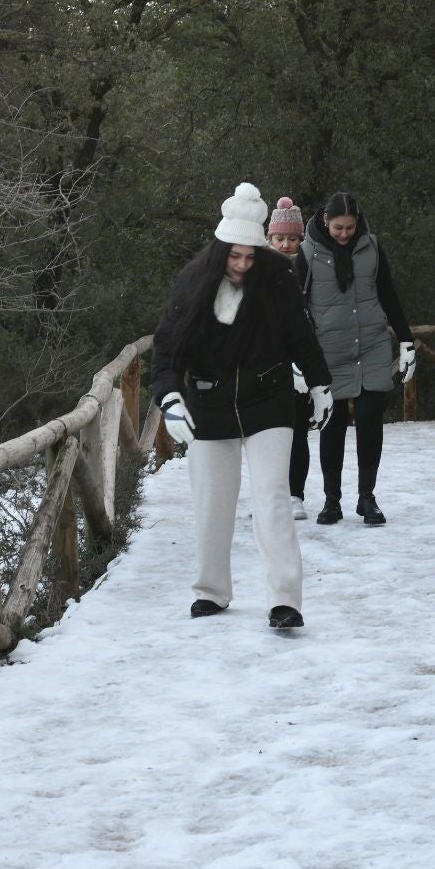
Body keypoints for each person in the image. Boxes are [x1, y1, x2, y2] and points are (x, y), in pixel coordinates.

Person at [152, 184, 334, 629]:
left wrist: (320, 384)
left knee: (273, 498)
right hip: (210, 405)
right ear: (220, 252)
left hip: (268, 400)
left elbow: (301, 336)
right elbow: (166, 350)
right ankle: (211, 592)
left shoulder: (276, 279)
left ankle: (284, 601)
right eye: (234, 256)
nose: (242, 265)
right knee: (212, 502)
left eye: (250, 256)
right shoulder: (192, 282)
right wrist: (170, 398)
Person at [296, 192, 415, 526]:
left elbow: (388, 293)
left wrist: (406, 340)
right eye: (338, 228)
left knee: (369, 418)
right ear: (324, 221)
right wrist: (298, 357)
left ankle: (367, 497)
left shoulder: (372, 248)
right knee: (331, 425)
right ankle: (332, 500)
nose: (345, 234)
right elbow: (295, 309)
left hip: (372, 344)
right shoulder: (307, 253)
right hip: (328, 350)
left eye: (350, 227)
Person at [267, 196, 314, 520]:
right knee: (266, 434)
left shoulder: (311, 270)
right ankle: (271, 496)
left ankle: (295, 494)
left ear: (300, 239)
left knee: (298, 431)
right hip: (265, 363)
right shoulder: (254, 267)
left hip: (301, 360)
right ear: (270, 238)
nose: (285, 244)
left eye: (291, 238)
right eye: (279, 238)